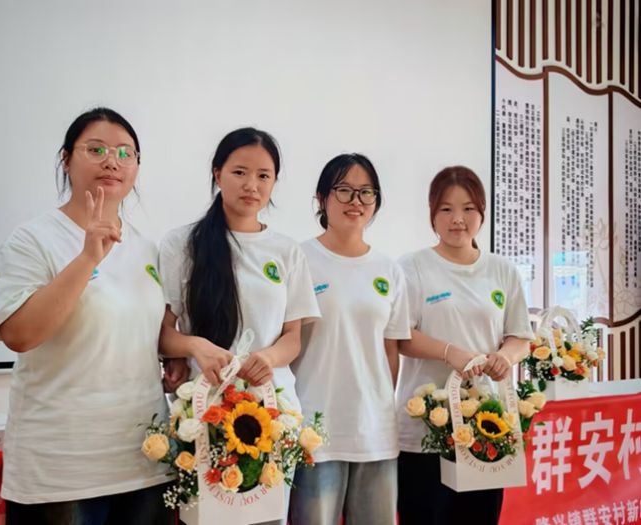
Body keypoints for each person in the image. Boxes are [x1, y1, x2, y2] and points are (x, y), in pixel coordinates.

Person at [0, 108, 174, 524]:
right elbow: (20, 334)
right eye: (96, 149)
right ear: (66, 159)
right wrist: (87, 258)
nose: (112, 161)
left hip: (145, 459)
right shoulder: (33, 239)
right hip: (62, 469)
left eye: (125, 153)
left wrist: (185, 352)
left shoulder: (146, 248)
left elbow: (149, 333)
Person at [158, 127, 320, 525]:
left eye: (264, 175)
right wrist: (194, 346)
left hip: (273, 410)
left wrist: (268, 357)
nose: (252, 185)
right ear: (217, 174)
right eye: (240, 172)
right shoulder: (181, 244)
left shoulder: (286, 251)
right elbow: (163, 335)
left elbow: (293, 338)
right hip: (204, 412)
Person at [395, 166, 533, 525]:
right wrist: (448, 352)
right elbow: (401, 335)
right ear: (432, 214)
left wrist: (505, 357)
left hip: (486, 428)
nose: (458, 219)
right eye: (446, 209)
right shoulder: (411, 267)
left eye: (468, 208)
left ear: (482, 212)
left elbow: (520, 336)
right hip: (423, 430)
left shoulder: (502, 270)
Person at [288, 154, 410, 525]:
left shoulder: (388, 270)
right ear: (322, 198)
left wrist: (377, 403)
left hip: (375, 431)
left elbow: (390, 350)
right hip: (314, 429)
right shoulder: (299, 259)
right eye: (344, 190)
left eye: (366, 192)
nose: (356, 201)